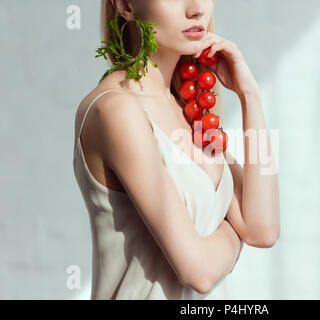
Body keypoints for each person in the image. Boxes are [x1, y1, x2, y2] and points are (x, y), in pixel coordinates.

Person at [72, 0, 280, 299]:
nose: (196, 9)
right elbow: (200, 272)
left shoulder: (187, 110)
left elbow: (263, 230)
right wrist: (234, 233)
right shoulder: (116, 110)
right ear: (126, 5)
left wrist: (250, 96)